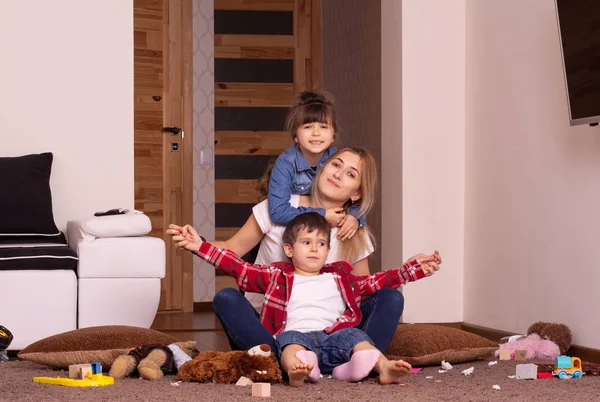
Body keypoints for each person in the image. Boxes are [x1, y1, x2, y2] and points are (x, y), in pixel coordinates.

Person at [168, 147, 410, 355]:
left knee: (391, 297)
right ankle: (277, 358)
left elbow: (361, 290)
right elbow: (232, 249)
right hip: (270, 324)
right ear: (323, 167)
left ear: (357, 192)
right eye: (336, 164)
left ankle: (356, 357)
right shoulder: (278, 209)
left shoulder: (354, 231)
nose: (338, 174)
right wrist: (197, 243)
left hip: (330, 330)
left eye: (350, 174)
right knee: (226, 298)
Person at [168, 212, 441, 386]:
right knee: (228, 298)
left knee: (371, 322)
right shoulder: (276, 275)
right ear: (289, 248)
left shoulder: (340, 276)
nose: (314, 248)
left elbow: (379, 280)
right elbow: (237, 267)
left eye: (321, 244)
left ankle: (379, 367)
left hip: (335, 337)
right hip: (293, 339)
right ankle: (296, 371)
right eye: (306, 242)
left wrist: (413, 269)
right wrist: (200, 246)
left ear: (328, 251)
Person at [265, 90, 364, 240]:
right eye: (308, 127)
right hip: (285, 228)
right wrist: (322, 214)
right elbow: (278, 212)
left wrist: (355, 217)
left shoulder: (337, 160)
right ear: (295, 136)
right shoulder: (286, 163)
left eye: (323, 127)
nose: (316, 133)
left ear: (333, 136)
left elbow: (357, 194)